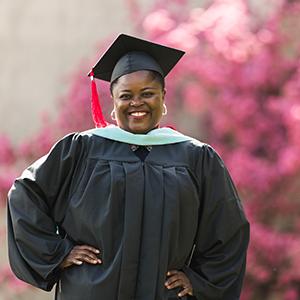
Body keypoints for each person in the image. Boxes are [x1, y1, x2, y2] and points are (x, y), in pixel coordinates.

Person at [7, 34, 249, 300]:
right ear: (113, 101)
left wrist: (200, 281)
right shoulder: (81, 150)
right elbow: (25, 194)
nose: (137, 103)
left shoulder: (196, 158)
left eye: (147, 94)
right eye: (126, 95)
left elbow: (227, 229)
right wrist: (58, 252)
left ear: (163, 97)